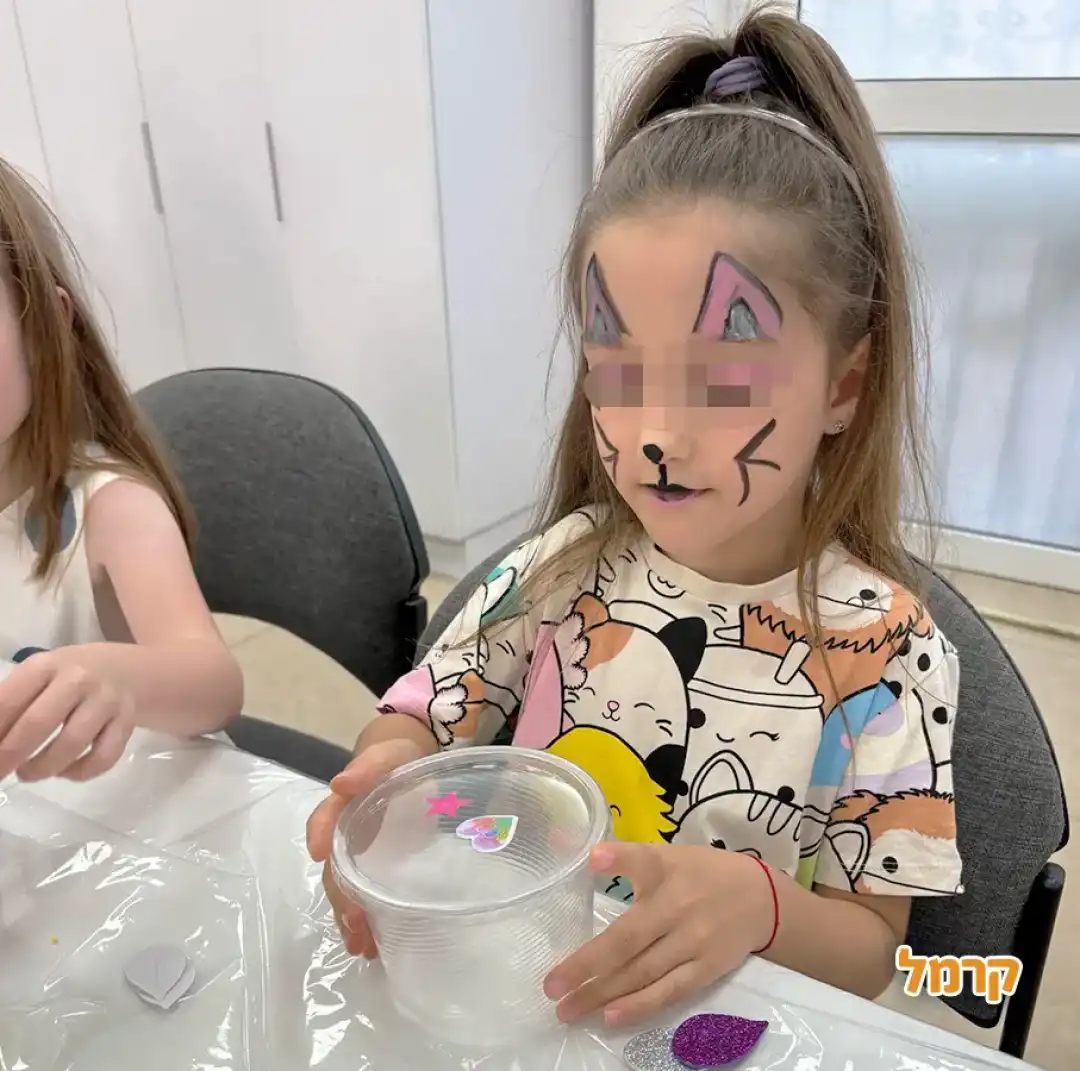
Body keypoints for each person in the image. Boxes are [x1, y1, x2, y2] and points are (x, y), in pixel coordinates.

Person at [307, 4, 963, 1028]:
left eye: (719, 377)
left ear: (845, 383)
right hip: (530, 1004)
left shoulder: (889, 654)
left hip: (719, 1034)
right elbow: (425, 715)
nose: (657, 432)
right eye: (617, 367)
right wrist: (385, 773)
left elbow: (874, 949)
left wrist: (760, 905)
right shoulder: (563, 565)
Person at [0, 158, 243, 783]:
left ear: (43, 327)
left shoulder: (111, 506)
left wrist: (116, 677)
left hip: (138, 804)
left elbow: (214, 684)